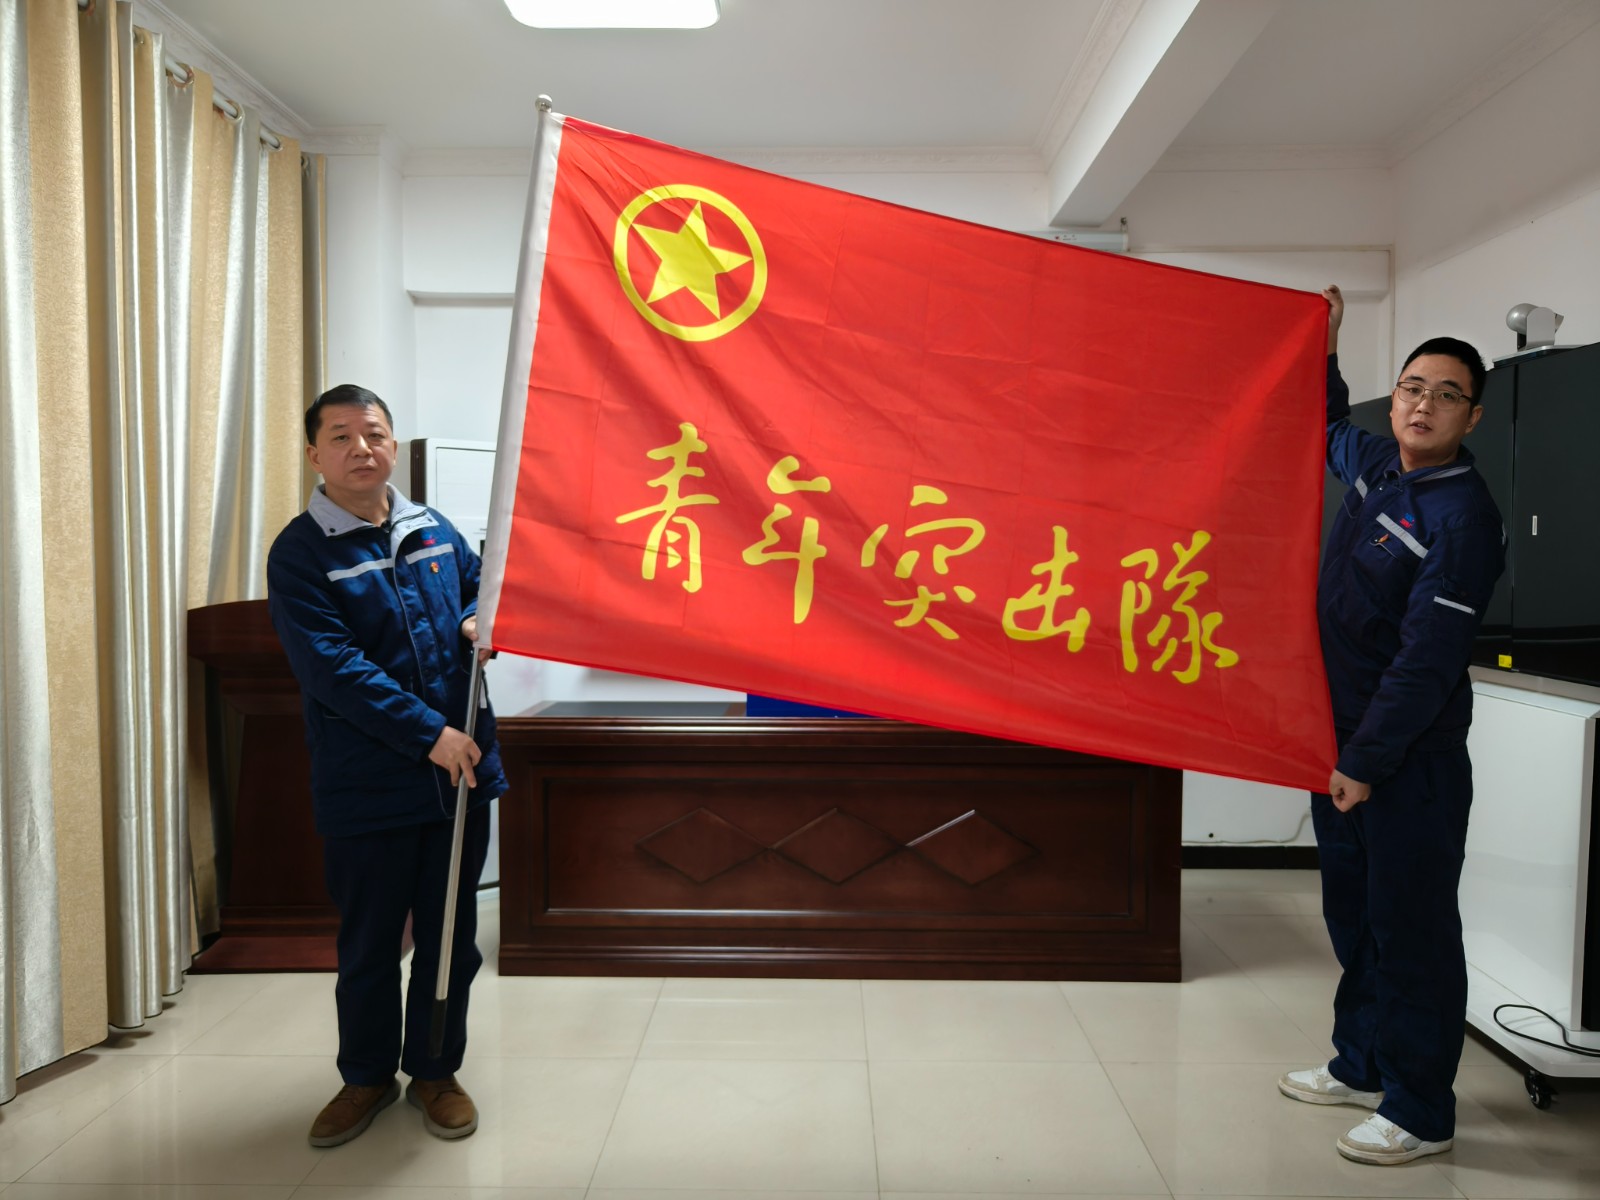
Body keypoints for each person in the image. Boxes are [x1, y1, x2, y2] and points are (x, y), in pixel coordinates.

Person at [1277, 286, 1505, 1165]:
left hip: (1406, 761)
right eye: (1413, 387)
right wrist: (1324, 342)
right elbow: (1325, 423)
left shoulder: (1462, 517)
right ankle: (1362, 1062)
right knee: (1355, 917)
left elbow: (1427, 659)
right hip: (1337, 742)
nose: (1423, 405)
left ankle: (1419, 1109)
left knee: (1411, 930)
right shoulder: (1380, 466)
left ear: (1471, 417)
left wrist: (1368, 759)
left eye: (1447, 395)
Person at [267, 384, 506, 1148]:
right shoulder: (301, 552)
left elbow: (473, 589)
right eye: (340, 437)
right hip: (369, 781)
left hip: (459, 774)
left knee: (451, 940)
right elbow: (331, 668)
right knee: (370, 944)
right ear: (315, 455)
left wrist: (475, 618)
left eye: (372, 433)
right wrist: (428, 733)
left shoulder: (432, 527)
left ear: (394, 445)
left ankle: (435, 1070)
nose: (359, 448)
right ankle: (366, 1078)